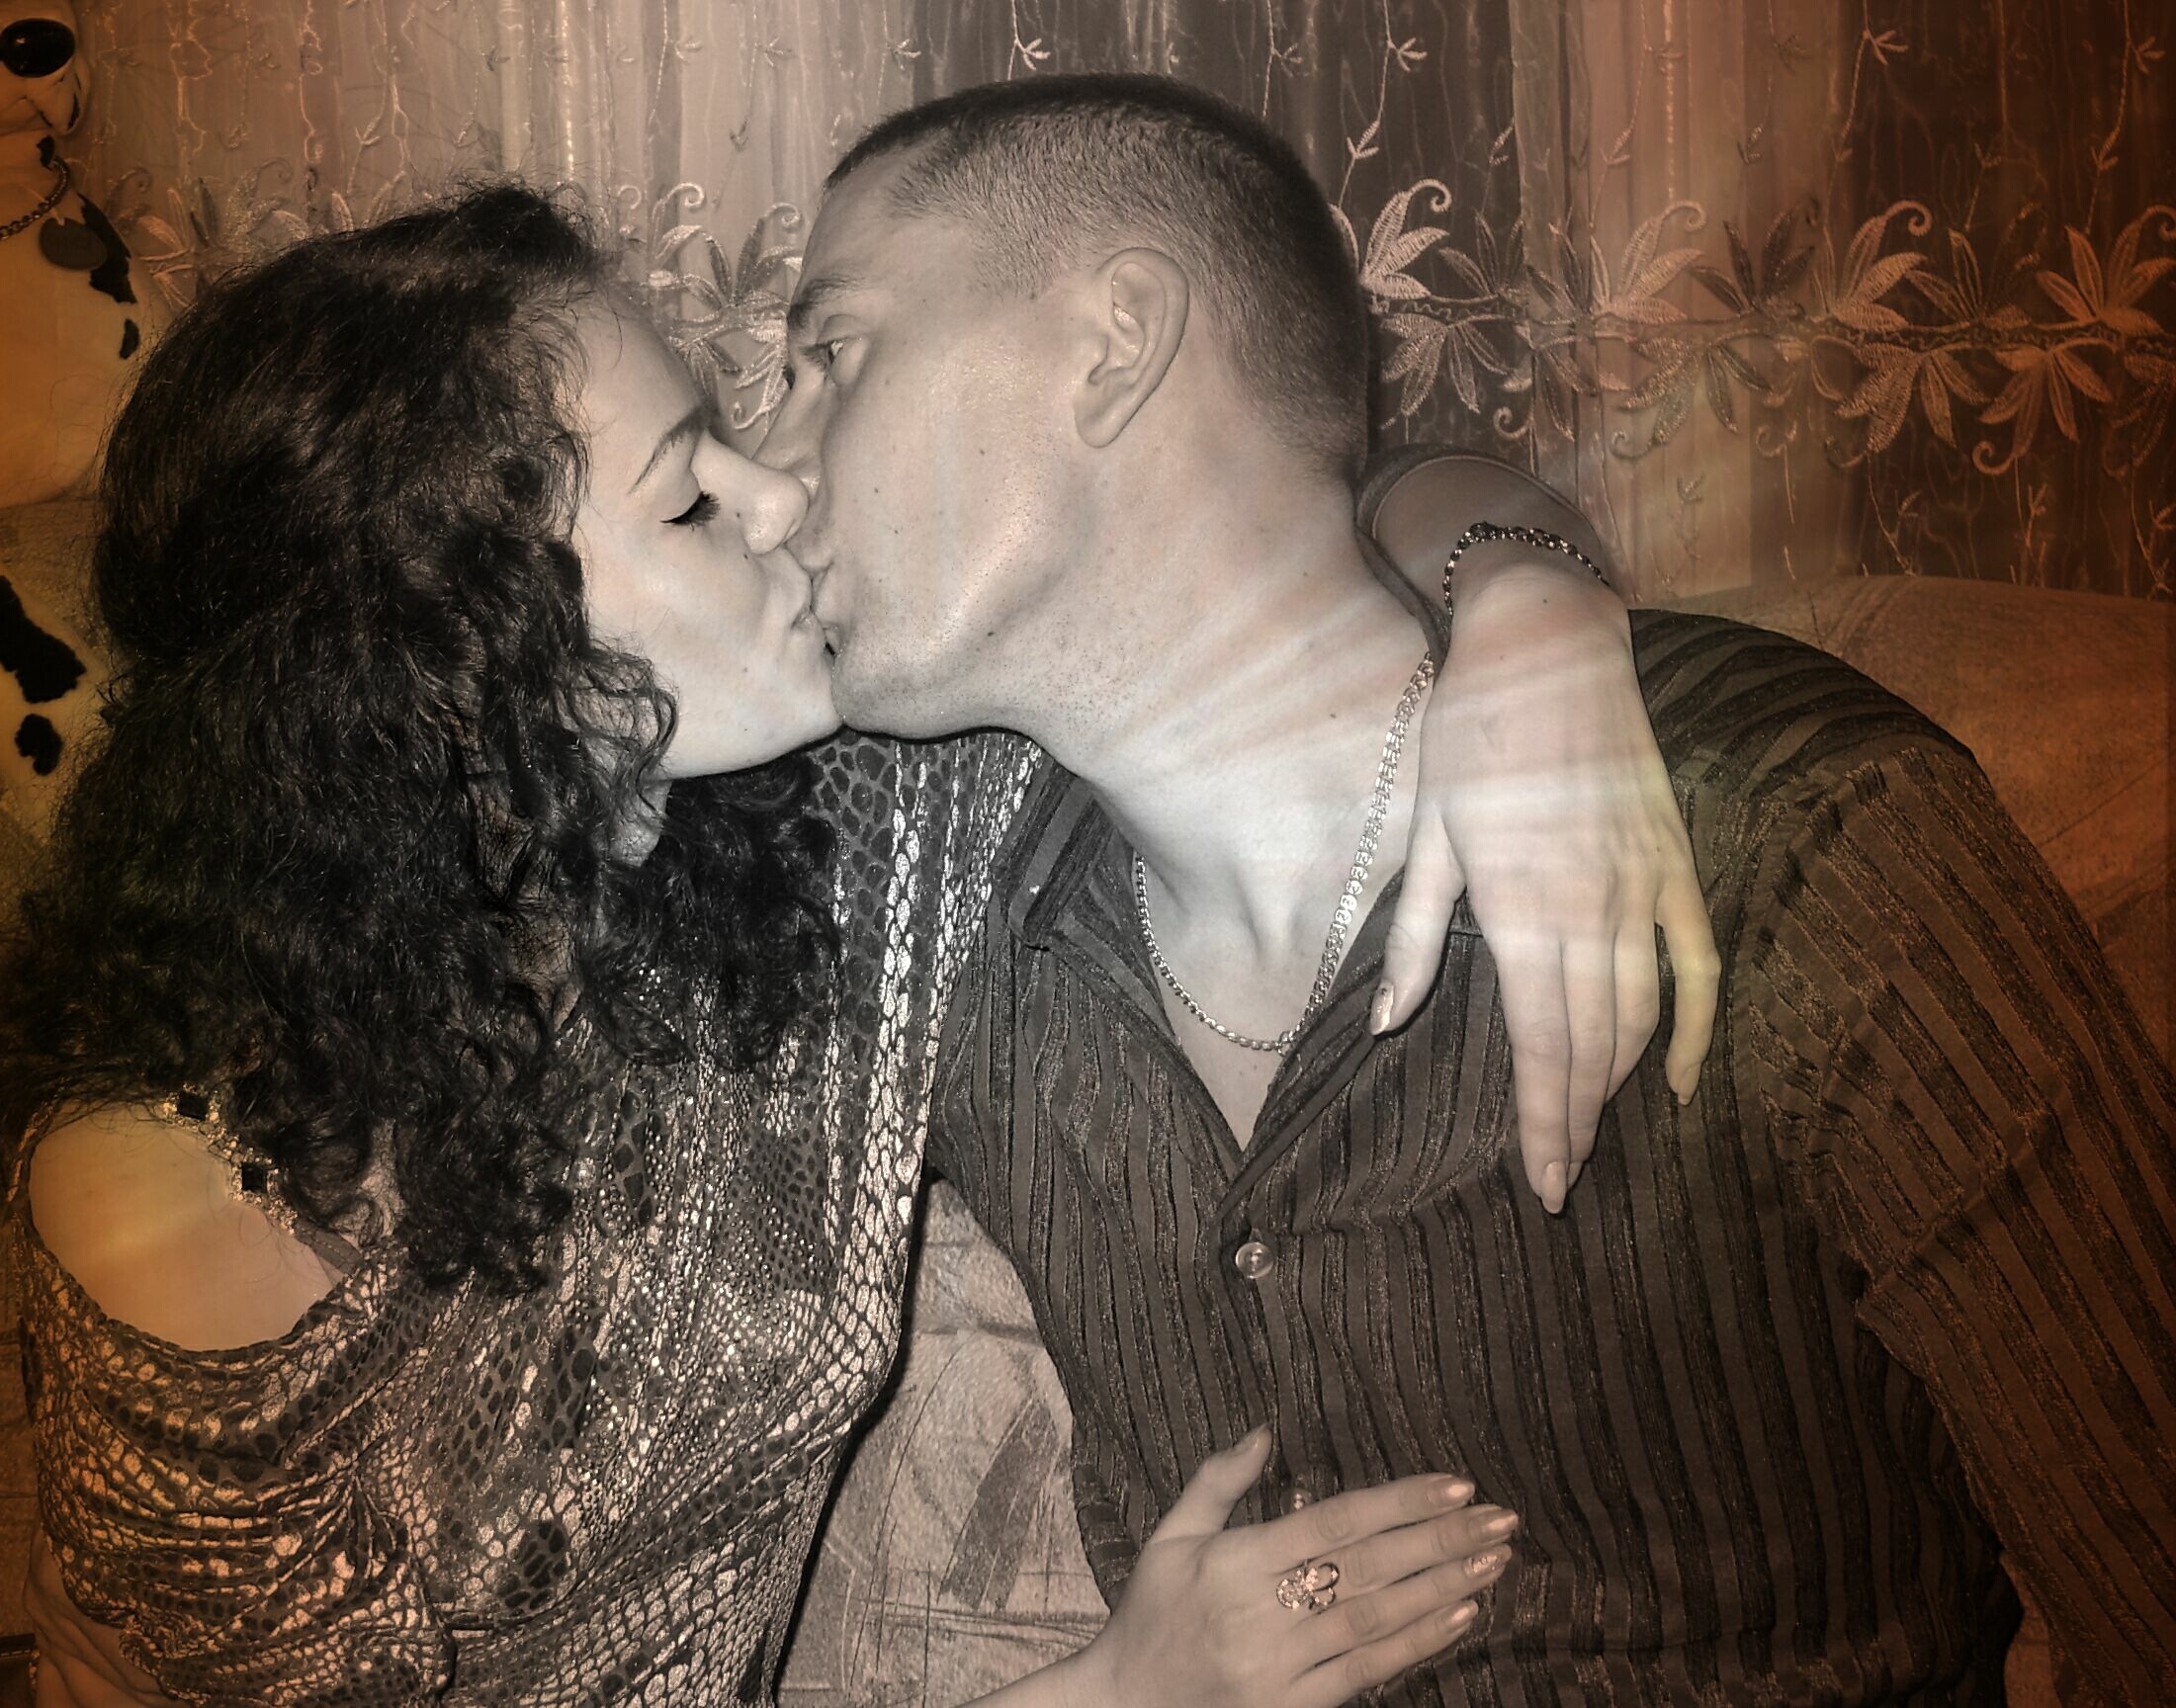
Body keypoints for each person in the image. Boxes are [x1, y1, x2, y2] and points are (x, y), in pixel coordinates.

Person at [0, 184, 1692, 1708]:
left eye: (735, 438)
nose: (781, 497)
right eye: (688, 503)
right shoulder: (180, 1185)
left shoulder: (842, 828)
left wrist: (1532, 607)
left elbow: (1314, 494)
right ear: (461, 660)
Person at [755, 73, 2176, 1705]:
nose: (769, 473)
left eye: (829, 355)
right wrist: (1519, 571)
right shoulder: (938, 912)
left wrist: (1525, 581)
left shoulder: (1787, 829)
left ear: (1113, 342)